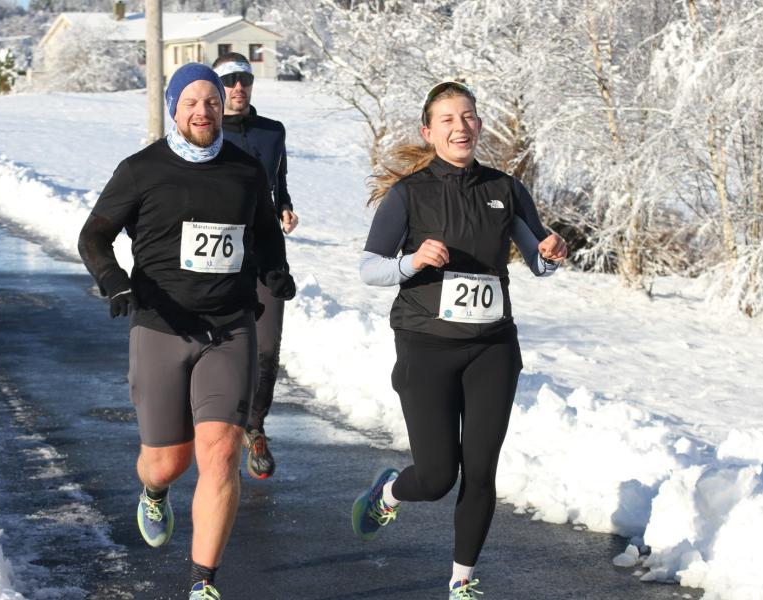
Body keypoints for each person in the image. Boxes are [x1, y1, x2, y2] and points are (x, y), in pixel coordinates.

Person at [77, 63, 296, 600]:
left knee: (220, 451)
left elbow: (266, 235)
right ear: (174, 108)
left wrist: (275, 272)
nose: (203, 112)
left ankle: (203, 582)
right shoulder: (142, 170)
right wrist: (113, 281)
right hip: (161, 326)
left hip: (230, 329)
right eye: (192, 103)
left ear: (223, 108)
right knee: (167, 461)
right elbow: (94, 236)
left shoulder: (245, 172)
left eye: (212, 102)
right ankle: (154, 490)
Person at [350, 81, 569, 599]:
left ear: (479, 124)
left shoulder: (506, 190)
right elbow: (368, 269)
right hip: (425, 345)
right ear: (429, 132)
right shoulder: (408, 194)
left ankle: (462, 581)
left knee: (481, 470)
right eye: (447, 119)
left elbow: (536, 259)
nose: (460, 126)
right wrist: (412, 261)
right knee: (436, 476)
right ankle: (389, 493)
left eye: (468, 116)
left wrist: (551, 253)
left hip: (492, 347)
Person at [211, 52, 299, 480]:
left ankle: (255, 426)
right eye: (229, 81)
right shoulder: (204, 132)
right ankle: (215, 425)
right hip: (217, 256)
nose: (238, 88)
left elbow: (277, 181)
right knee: (217, 345)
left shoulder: (272, 132)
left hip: (265, 253)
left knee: (267, 348)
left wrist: (284, 205)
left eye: (244, 79)